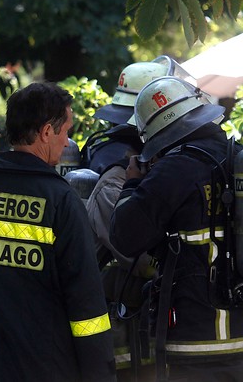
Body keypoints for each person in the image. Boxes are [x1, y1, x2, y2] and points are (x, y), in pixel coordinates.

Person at [0, 82, 116, 382]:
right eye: (65, 131)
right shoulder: (60, 201)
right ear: (45, 133)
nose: (67, 142)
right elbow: (86, 309)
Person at [110, 76, 243, 382]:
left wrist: (132, 184)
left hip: (196, 346)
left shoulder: (175, 169)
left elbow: (124, 235)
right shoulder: (236, 160)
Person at [85, 58, 179, 379]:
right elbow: (138, 254)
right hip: (128, 340)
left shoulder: (159, 172)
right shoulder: (113, 180)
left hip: (156, 336)